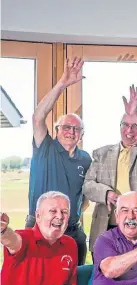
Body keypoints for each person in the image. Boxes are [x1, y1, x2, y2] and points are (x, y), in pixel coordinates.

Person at [83, 85, 137, 258]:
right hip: (108, 225)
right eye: (125, 125)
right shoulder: (102, 153)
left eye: (135, 126)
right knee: (107, 276)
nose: (129, 130)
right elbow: (87, 186)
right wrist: (106, 193)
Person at [27, 56, 92, 265]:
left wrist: (73, 213)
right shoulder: (45, 147)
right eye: (65, 127)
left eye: (76, 129)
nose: (70, 132)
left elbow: (86, 196)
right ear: (56, 131)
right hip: (40, 229)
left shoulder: (85, 159)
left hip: (72, 231)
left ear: (81, 134)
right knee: (37, 284)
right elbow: (38, 117)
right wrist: (63, 83)